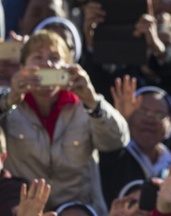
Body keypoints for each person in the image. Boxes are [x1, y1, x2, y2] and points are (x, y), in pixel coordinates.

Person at [0, 30, 129, 214]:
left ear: (68, 67)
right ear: (22, 67)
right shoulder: (11, 105)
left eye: (55, 57)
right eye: (37, 57)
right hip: (28, 210)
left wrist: (93, 102)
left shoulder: (85, 103)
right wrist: (8, 100)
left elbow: (117, 141)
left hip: (81, 210)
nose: (47, 64)